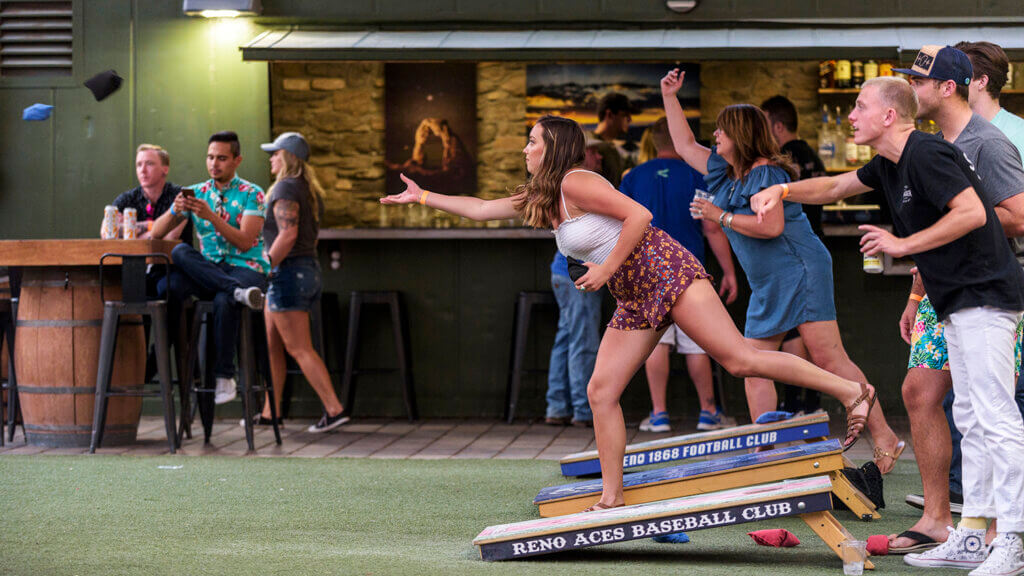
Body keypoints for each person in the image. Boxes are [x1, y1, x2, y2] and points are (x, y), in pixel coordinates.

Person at [382, 114, 877, 513]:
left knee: (742, 360)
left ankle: (851, 390)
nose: (524, 149)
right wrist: (422, 196)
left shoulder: (577, 181)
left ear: (552, 147)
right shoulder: (546, 195)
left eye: (531, 142)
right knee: (602, 391)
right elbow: (481, 208)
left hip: (664, 271)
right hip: (635, 294)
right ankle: (612, 495)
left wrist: (603, 271)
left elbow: (640, 216)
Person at [751, 74, 1024, 575]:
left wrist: (902, 245)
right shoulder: (889, 163)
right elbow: (835, 186)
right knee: (970, 418)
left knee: (994, 417)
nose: (851, 115)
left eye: (859, 106)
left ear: (889, 116)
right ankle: (970, 536)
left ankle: (1012, 540)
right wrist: (783, 189)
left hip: (985, 299)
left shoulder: (927, 155)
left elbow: (971, 213)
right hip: (955, 303)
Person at [662, 69, 905, 472]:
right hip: (768, 282)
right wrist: (669, 95)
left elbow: (770, 227)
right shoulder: (724, 171)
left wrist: (719, 216)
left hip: (799, 269)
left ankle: (884, 436)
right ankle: (766, 454)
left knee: (829, 357)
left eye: (722, 130)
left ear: (739, 135)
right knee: (752, 366)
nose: (715, 136)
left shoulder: (766, 173)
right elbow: (684, 142)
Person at [884, 44, 1024, 555]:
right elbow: (929, 226)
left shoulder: (989, 141)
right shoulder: (930, 142)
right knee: (924, 395)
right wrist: (915, 290)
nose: (909, 91)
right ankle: (944, 522)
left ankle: (1002, 536)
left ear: (953, 86)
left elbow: (1019, 215)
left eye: (917, 82)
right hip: (940, 290)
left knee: (992, 411)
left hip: (987, 290)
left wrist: (960, 218)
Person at [619, 117, 738, 433]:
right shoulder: (698, 174)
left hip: (645, 270)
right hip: (687, 271)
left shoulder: (633, 177)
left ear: (654, 141)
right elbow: (712, 227)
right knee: (696, 343)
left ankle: (658, 414)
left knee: (656, 342)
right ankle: (708, 411)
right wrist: (729, 271)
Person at [151, 131, 268, 405]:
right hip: (213, 272)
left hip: (247, 267)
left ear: (237, 160)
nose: (214, 164)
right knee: (177, 258)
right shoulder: (196, 193)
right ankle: (167, 359)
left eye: (222, 158)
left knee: (223, 298)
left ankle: (224, 377)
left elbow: (245, 241)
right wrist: (173, 211)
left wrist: (211, 217)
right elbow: (157, 232)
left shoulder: (253, 194)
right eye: (210, 157)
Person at [255, 132, 349, 432]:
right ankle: (272, 413)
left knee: (299, 348)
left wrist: (265, 266)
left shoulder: (285, 187)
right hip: (305, 270)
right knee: (273, 344)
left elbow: (288, 234)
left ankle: (334, 410)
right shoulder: (308, 190)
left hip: (287, 273)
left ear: (288, 157)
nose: (271, 158)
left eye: (275, 154)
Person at [760, 95, 826, 416]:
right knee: (807, 334)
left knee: (796, 333)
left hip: (795, 254)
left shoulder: (786, 160)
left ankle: (797, 401)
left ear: (778, 126)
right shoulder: (813, 155)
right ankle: (808, 402)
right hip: (812, 249)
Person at [544, 135, 607, 428]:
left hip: (561, 272)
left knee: (567, 337)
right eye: (595, 153)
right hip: (577, 274)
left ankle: (557, 406)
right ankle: (583, 411)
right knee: (582, 341)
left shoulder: (559, 185)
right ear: (581, 156)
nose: (600, 159)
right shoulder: (581, 186)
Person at [105, 144, 191, 296]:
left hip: (173, 267)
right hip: (136, 267)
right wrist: (151, 226)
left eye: (149, 164)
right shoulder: (127, 198)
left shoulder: (179, 196)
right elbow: (107, 232)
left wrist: (129, 231)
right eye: (139, 165)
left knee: (168, 289)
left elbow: (170, 238)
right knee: (118, 289)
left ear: (165, 168)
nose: (142, 170)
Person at [586, 92, 637, 188]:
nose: (630, 119)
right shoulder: (588, 146)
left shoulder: (616, 149)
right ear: (609, 114)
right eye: (625, 115)